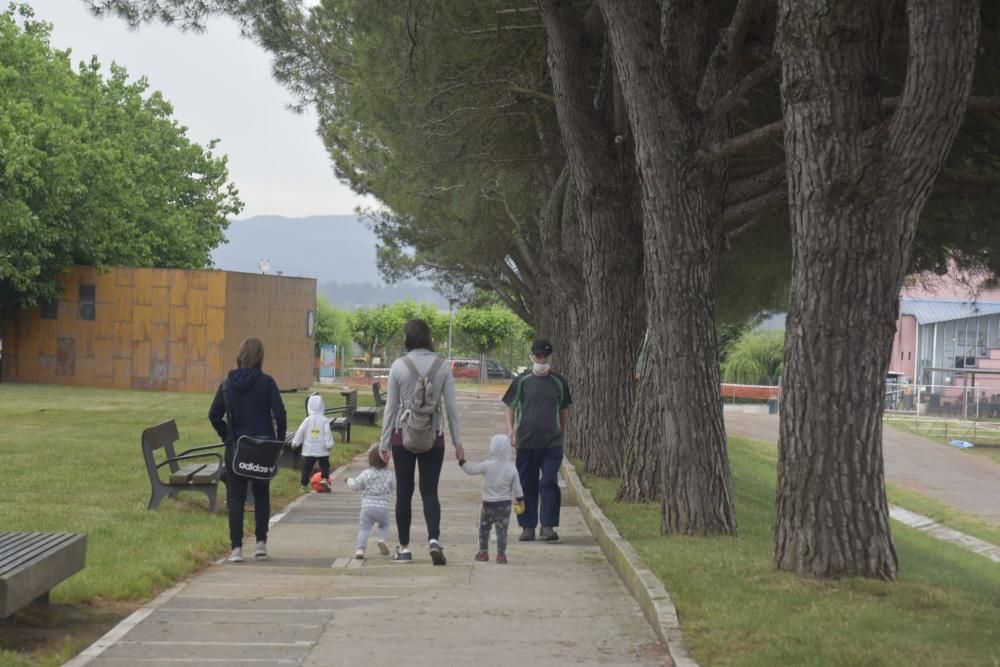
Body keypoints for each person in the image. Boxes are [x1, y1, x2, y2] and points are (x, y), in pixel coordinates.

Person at [379, 319, 465, 565]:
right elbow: (451, 408)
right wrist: (458, 442)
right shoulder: (443, 366)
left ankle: (404, 548)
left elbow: (391, 407)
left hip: (401, 435)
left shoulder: (399, 366)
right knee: (430, 491)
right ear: (428, 338)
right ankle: (434, 540)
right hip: (434, 435)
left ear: (408, 338)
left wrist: (384, 444)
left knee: (404, 493)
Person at [209, 337, 287, 563]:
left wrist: (227, 436)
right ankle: (261, 543)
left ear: (240, 355)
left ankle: (236, 549)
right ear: (260, 357)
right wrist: (277, 444)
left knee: (236, 497)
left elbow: (214, 415)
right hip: (262, 449)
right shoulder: (267, 383)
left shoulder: (227, 384)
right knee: (261, 493)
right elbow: (280, 414)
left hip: (236, 449)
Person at [503, 339, 571, 542]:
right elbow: (510, 406)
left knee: (549, 482)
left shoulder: (559, 382)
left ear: (551, 357)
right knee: (524, 485)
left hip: (552, 444)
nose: (542, 360)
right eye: (538, 356)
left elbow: (564, 411)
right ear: (533, 357)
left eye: (545, 356)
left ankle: (548, 525)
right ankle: (526, 526)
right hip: (526, 442)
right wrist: (510, 430)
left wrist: (563, 436)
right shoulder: (522, 381)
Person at [459, 434, 524, 564]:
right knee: (502, 531)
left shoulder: (487, 465)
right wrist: (520, 500)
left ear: (492, 448)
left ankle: (483, 552)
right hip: (504, 505)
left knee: (484, 529)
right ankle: (501, 555)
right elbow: (517, 488)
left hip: (488, 504)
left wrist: (462, 461)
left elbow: (471, 470)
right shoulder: (511, 468)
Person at [345, 446, 396, 559]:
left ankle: (360, 550)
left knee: (364, 529)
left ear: (370, 460)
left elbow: (355, 486)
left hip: (367, 507)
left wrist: (348, 480)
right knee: (384, 525)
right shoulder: (390, 475)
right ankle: (382, 539)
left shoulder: (366, 473)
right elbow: (394, 488)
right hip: (383, 508)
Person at [291, 392, 334, 493]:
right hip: (322, 449)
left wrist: (295, 443)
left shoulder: (307, 420)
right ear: (322, 405)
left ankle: (303, 485)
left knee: (307, 467)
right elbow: (327, 433)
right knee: (325, 465)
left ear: (309, 406)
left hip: (309, 449)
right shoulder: (324, 420)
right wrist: (329, 444)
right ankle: (324, 479)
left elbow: (300, 432)